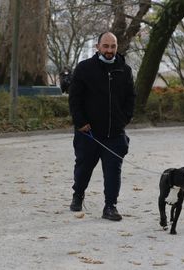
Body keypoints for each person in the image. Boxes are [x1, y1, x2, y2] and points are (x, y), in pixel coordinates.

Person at [68, 32, 136, 221]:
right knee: (83, 168)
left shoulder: (125, 70)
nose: (109, 50)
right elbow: (74, 99)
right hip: (88, 132)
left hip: (115, 133)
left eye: (112, 46)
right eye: (105, 46)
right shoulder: (84, 68)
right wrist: (80, 122)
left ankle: (110, 206)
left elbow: (131, 98)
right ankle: (78, 194)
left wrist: (124, 119)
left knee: (113, 170)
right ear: (97, 47)